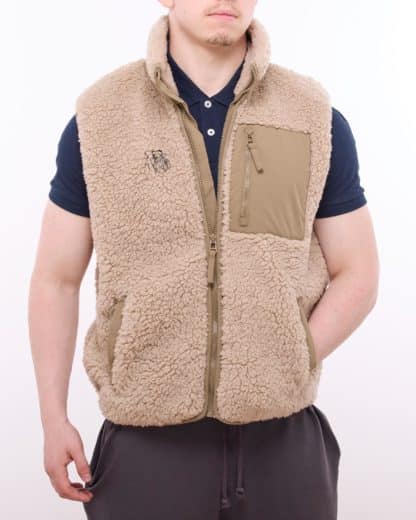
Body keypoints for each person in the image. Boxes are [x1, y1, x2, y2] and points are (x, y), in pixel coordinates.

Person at [28, 1, 379, 519]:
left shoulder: (311, 116)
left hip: (283, 446)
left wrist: (294, 351)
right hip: (146, 448)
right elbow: (56, 280)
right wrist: (52, 418)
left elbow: (359, 271)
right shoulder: (102, 119)